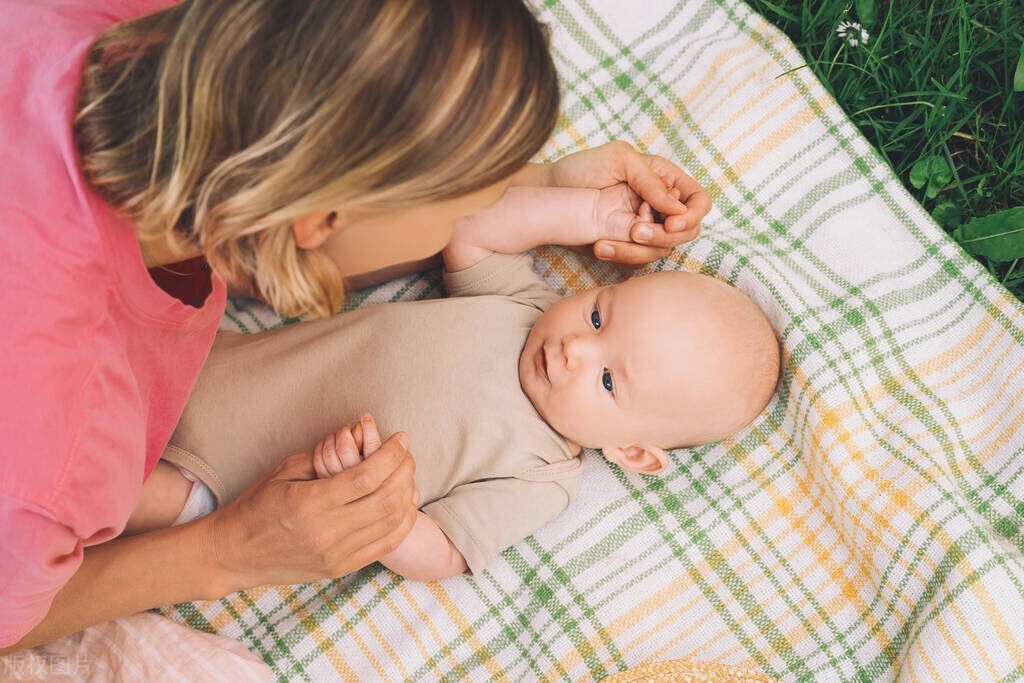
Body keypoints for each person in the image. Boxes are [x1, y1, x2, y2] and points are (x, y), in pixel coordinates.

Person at [0, 0, 711, 651]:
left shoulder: (130, 31)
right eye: (473, 192)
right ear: (318, 220)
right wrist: (226, 551)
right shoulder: (49, 458)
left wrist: (553, 185)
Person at [140, 184, 779, 581]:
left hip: (219, 476)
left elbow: (445, 551)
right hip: (218, 364)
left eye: (609, 380)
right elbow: (472, 230)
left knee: (109, 493)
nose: (575, 350)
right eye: (596, 315)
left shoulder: (541, 476)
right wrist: (587, 212)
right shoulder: (522, 307)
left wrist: (373, 505)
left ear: (633, 452)